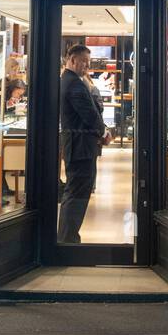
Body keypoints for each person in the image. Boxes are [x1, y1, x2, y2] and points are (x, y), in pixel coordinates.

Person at [57, 44, 110, 244]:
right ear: (71, 60)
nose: (87, 65)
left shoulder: (70, 81)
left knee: (76, 191)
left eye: (89, 62)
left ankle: (67, 237)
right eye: (83, 61)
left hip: (78, 145)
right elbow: (89, 114)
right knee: (76, 193)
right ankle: (67, 239)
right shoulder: (74, 84)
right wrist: (103, 131)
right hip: (79, 146)